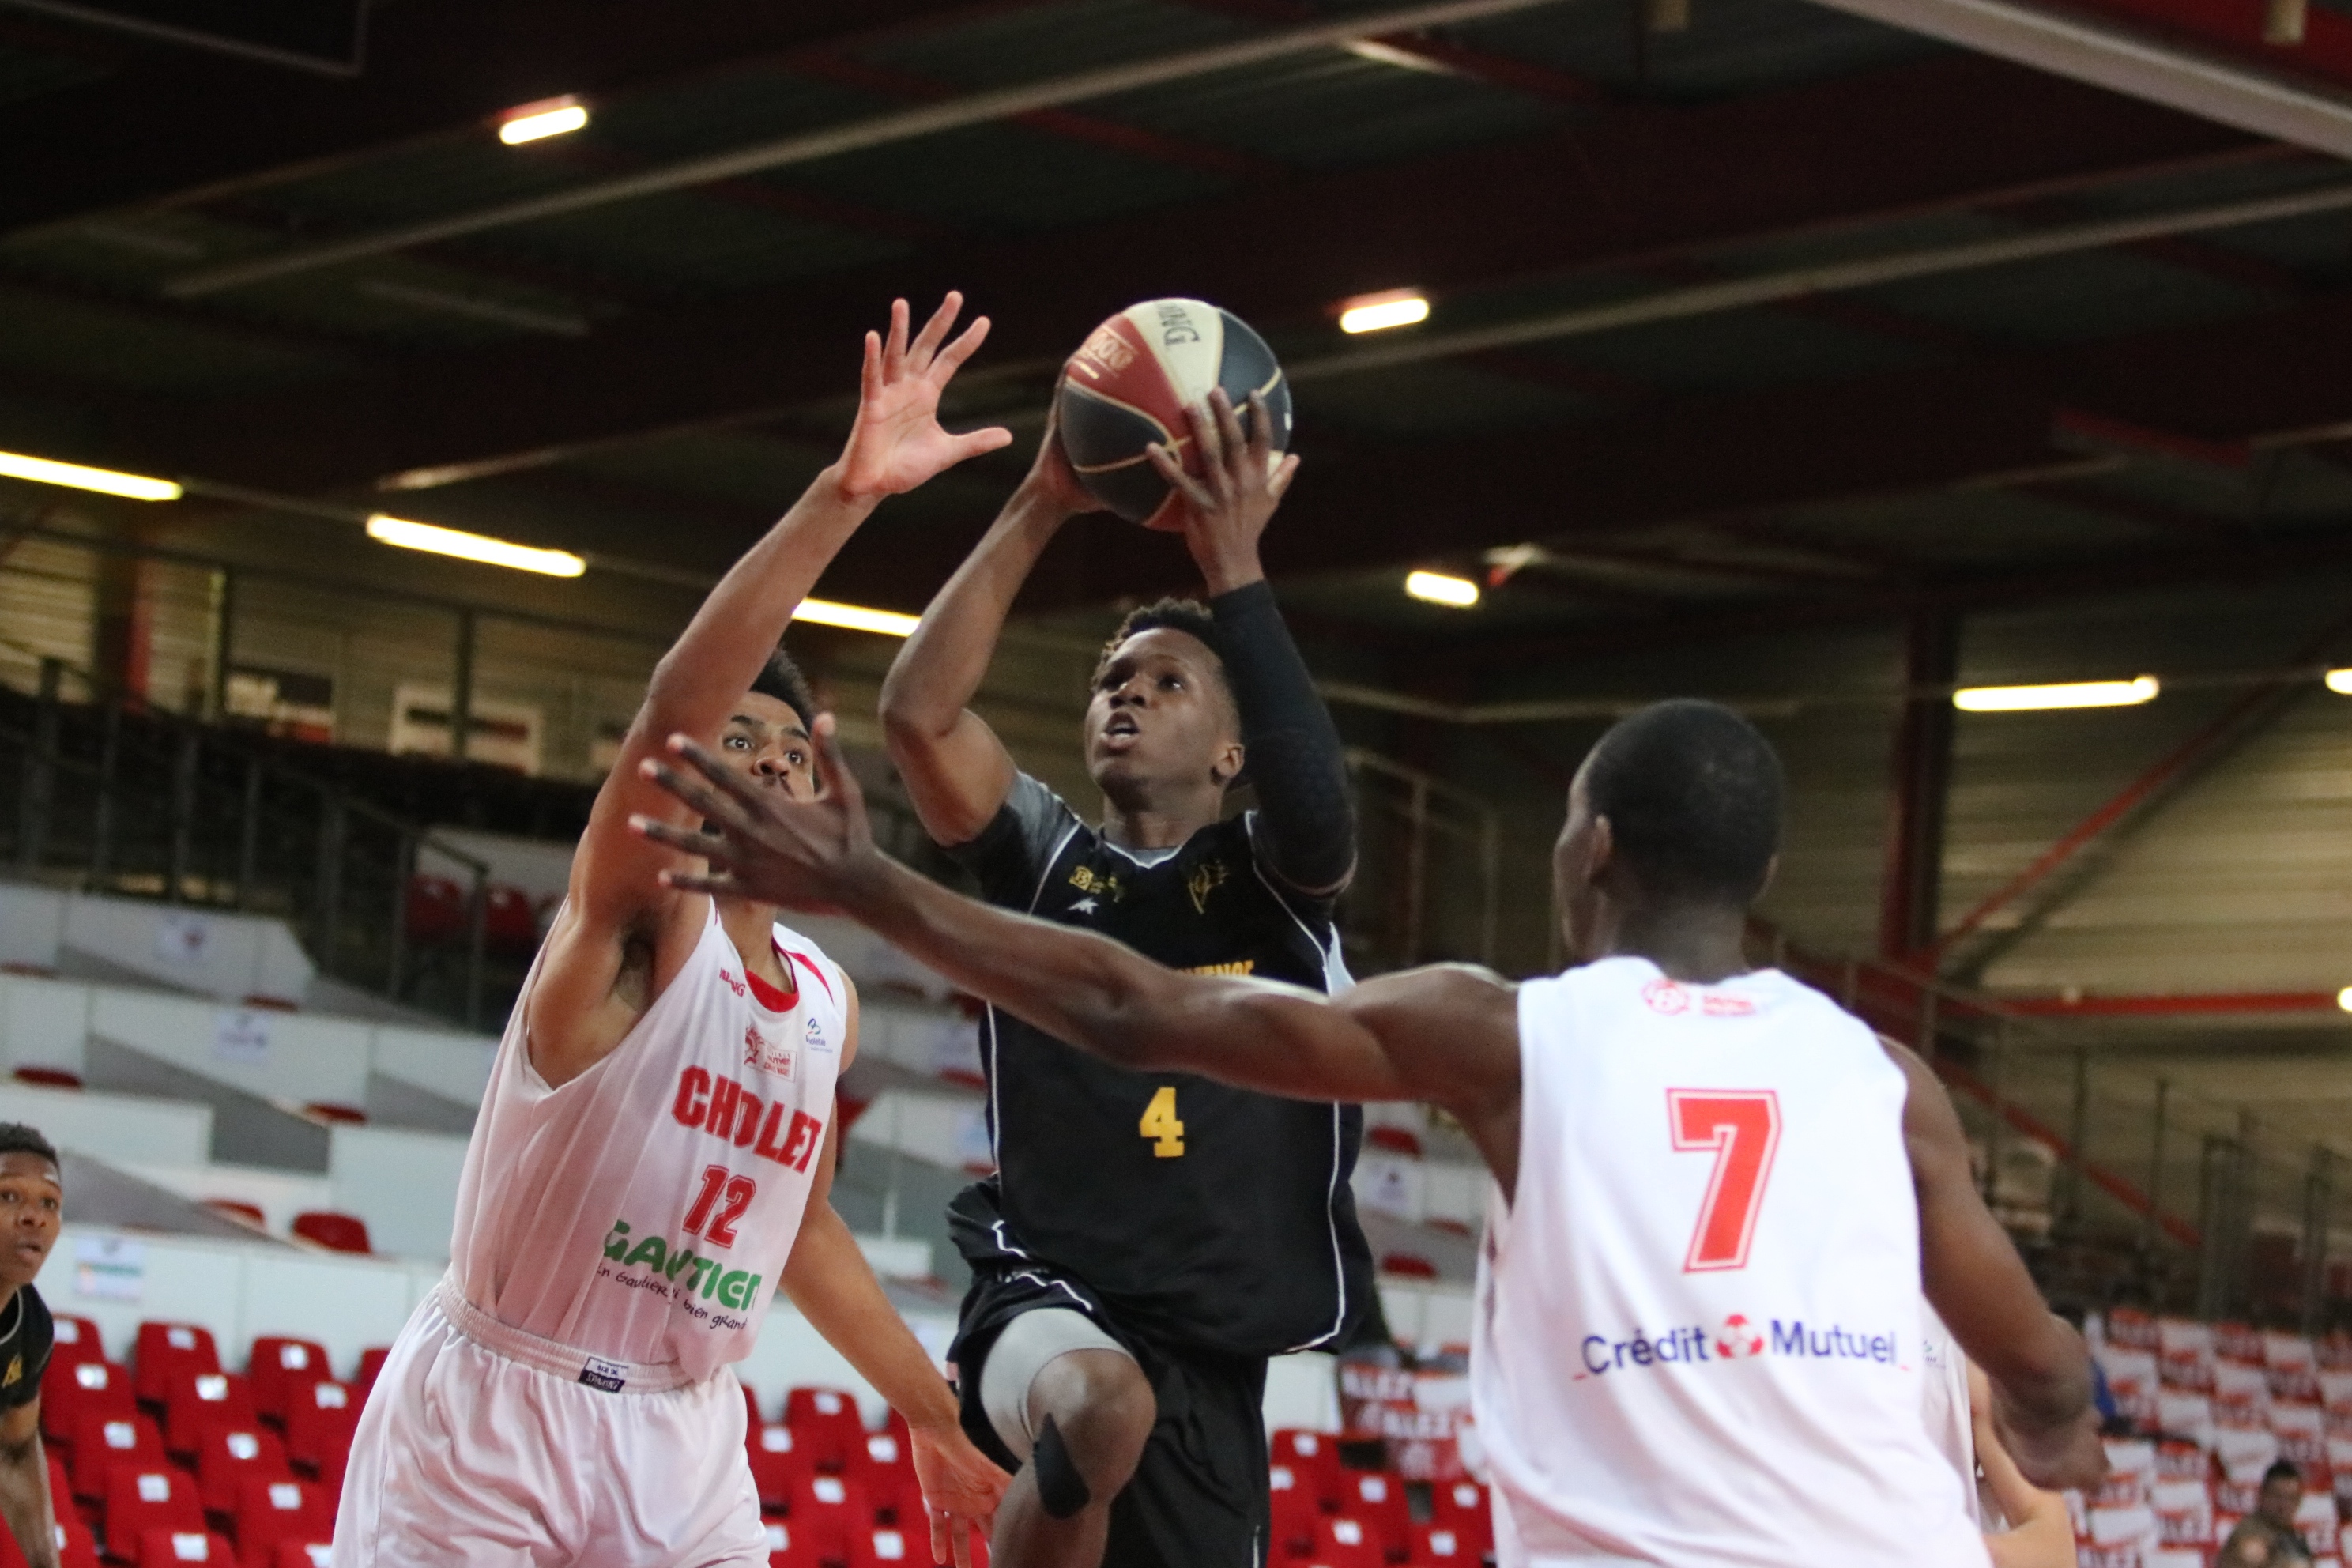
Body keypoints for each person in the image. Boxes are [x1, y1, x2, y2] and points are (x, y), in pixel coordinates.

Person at [633, 696, 2110, 1566]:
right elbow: (2039, 1367)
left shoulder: (1516, 1032)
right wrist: (2047, 1418)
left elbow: (1134, 1003)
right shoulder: (1884, 1078)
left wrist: (872, 885)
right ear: (1764, 869)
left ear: (1588, 847)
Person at [334, 294, 1013, 1568]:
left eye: (782, 745)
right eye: (733, 740)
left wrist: (930, 1411)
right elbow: (671, 709)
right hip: (501, 1406)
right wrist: (845, 497)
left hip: (683, 1430)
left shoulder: (824, 997)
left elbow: (794, 1224)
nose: (757, 757)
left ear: (818, 787)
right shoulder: (642, 921)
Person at [864, 386, 1370, 1567]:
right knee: (1101, 1409)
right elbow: (918, 716)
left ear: (1233, 752)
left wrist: (1234, 571)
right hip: (1045, 1289)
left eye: (1167, 681)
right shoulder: (1043, 858)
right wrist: (1044, 500)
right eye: (1111, 680)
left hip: (1216, 1348)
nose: (1126, 692)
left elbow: (1320, 809)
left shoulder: (1276, 879)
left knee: (1135, 1423)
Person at [0, 1125, 62, 1568]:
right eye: (8, 1196)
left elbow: (16, 1451)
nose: (34, 1217)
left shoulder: (31, 1325)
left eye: (49, 1203)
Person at [2216, 1461, 2312, 1568]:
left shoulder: (2296, 1540)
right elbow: (2248, 1554)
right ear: (2262, 1496)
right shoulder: (2249, 1530)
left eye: (2290, 1498)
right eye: (2277, 1496)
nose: (2283, 1505)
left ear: (2299, 1502)